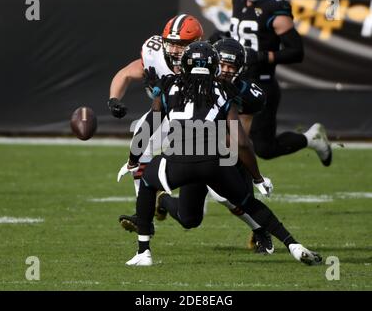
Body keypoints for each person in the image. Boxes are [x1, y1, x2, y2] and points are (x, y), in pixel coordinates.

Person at [125, 41, 322, 266]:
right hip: (214, 162)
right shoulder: (226, 92)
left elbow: (148, 126)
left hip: (179, 161)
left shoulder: (169, 85)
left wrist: (133, 160)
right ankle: (293, 244)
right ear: (215, 66)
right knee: (247, 202)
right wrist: (258, 178)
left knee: (148, 181)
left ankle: (144, 252)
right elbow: (243, 143)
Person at [228, 0, 332, 165]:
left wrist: (262, 56)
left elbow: (296, 52)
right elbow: (239, 33)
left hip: (261, 83)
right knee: (232, 139)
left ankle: (311, 139)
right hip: (237, 80)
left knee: (264, 149)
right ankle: (227, 184)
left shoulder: (274, 5)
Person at [107, 14, 204, 199]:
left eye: (181, 45)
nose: (175, 50)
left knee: (216, 190)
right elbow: (126, 73)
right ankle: (145, 203)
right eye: (171, 43)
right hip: (166, 114)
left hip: (199, 120)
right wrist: (113, 99)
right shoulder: (155, 54)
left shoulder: (203, 62)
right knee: (141, 144)